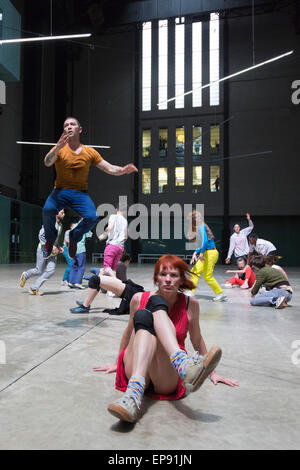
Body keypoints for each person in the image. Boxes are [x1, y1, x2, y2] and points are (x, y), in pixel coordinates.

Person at [96, 255, 238, 423]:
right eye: (163, 274)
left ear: (181, 280)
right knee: (145, 312)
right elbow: (128, 333)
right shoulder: (138, 298)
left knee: (154, 305)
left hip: (164, 373)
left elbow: (197, 340)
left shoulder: (190, 304)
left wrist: (211, 371)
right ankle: (136, 392)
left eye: (174, 275)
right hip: (136, 366)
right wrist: (116, 363)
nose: (168, 280)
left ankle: (181, 367)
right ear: (156, 277)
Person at [42, 117, 138, 260]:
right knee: (47, 210)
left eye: (72, 124)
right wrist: (57, 148)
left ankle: (74, 237)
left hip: (80, 194)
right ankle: (50, 239)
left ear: (79, 129)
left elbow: (109, 168)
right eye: (66, 125)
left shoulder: (89, 152)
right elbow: (47, 162)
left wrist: (123, 170)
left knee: (92, 217)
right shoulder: (59, 149)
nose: (69, 127)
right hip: (60, 191)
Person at [19, 209, 65, 295]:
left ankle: (34, 288)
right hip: (43, 249)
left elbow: (55, 239)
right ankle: (25, 275)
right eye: (62, 212)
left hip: (53, 252)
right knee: (39, 271)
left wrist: (58, 246)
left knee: (51, 271)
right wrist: (51, 247)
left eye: (64, 213)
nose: (64, 214)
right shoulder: (49, 222)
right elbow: (41, 235)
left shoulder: (60, 225)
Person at [188, 210, 227, 301]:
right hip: (206, 252)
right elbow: (201, 243)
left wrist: (200, 254)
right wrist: (195, 253)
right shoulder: (200, 227)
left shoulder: (201, 226)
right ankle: (191, 292)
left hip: (210, 253)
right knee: (194, 271)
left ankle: (220, 294)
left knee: (207, 276)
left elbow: (205, 241)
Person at [70, 274, 144, 315]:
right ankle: (86, 304)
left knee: (95, 280)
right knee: (95, 280)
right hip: (131, 290)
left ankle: (85, 306)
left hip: (130, 291)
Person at [98, 205, 128, 278]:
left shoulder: (113, 216)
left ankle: (116, 281)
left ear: (116, 209)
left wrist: (103, 235)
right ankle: (110, 286)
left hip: (112, 245)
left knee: (107, 267)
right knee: (113, 268)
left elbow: (110, 227)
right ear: (125, 211)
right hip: (120, 247)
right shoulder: (125, 221)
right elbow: (126, 236)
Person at [68, 219, 92, 289]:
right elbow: (89, 238)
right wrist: (91, 235)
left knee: (73, 266)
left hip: (73, 250)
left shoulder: (74, 226)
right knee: (81, 266)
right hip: (81, 249)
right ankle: (78, 282)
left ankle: (71, 282)